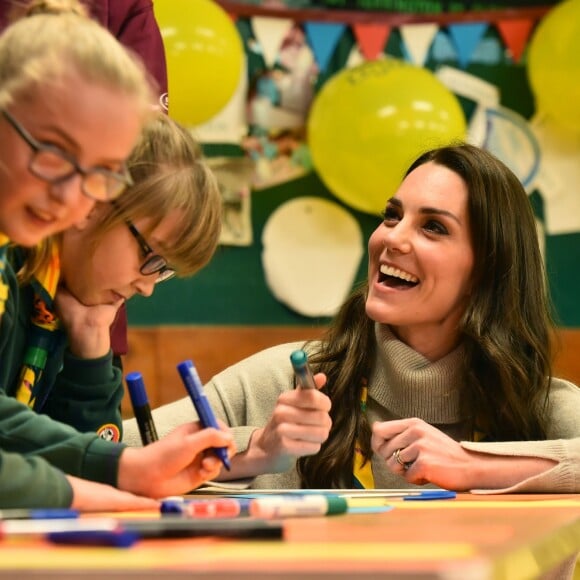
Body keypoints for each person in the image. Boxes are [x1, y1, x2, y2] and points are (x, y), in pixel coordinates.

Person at [124, 143, 580, 493]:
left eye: (433, 227)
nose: (390, 239)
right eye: (392, 215)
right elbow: (87, 456)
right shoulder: (283, 378)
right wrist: (254, 450)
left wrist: (473, 465)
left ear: (487, 270)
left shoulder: (534, 403)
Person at [0, 0, 233, 509]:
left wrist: (90, 344)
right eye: (55, 153)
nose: (70, 199)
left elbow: (39, 442)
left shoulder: (51, 286)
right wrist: (123, 482)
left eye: (96, 174)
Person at [3, 112, 222, 442]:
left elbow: (86, 463)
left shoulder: (85, 305)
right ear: (93, 202)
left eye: (164, 271)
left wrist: (90, 351)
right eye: (150, 256)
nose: (147, 287)